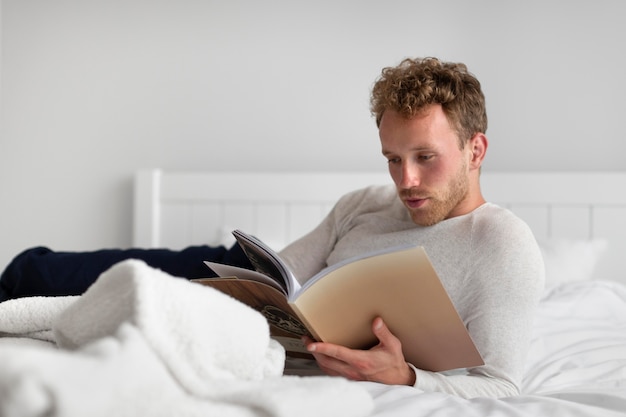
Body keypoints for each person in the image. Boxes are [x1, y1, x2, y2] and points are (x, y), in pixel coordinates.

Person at [277, 57, 545, 398]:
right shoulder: (360, 204)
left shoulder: (502, 243)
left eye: (426, 157)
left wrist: (408, 378)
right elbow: (276, 280)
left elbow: (501, 386)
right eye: (393, 159)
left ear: (475, 152)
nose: (406, 181)